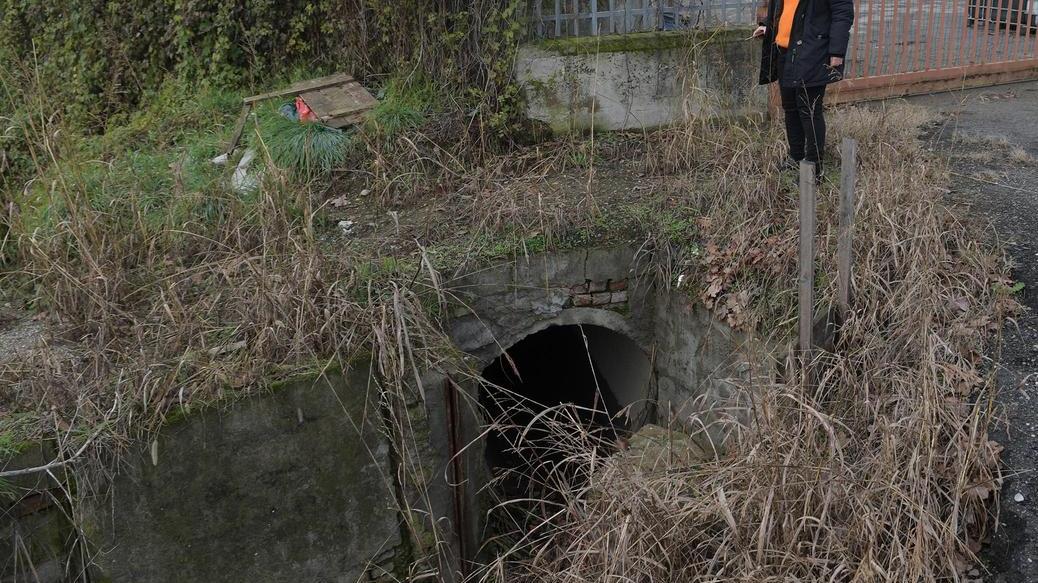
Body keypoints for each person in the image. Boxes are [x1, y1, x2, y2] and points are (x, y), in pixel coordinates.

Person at [753, 0, 854, 179]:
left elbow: (842, 14)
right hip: (785, 51)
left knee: (809, 110)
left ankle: (814, 168)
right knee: (790, 107)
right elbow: (785, 10)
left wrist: (837, 51)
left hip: (813, 52)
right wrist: (769, 28)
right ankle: (796, 156)